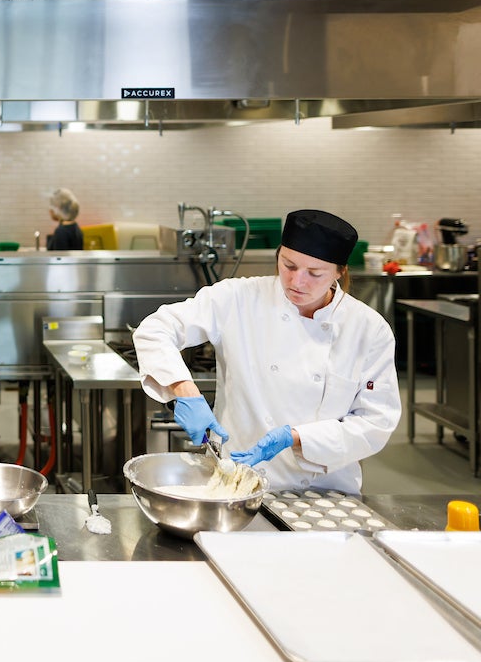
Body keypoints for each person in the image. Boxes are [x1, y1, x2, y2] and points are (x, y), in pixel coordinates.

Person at [132, 209, 400, 495]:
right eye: (289, 265)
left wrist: (297, 438)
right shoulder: (238, 298)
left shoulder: (369, 329)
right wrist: (185, 391)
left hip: (327, 490)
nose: (297, 282)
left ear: (340, 272)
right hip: (238, 483)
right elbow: (155, 329)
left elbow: (376, 422)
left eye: (314, 273)